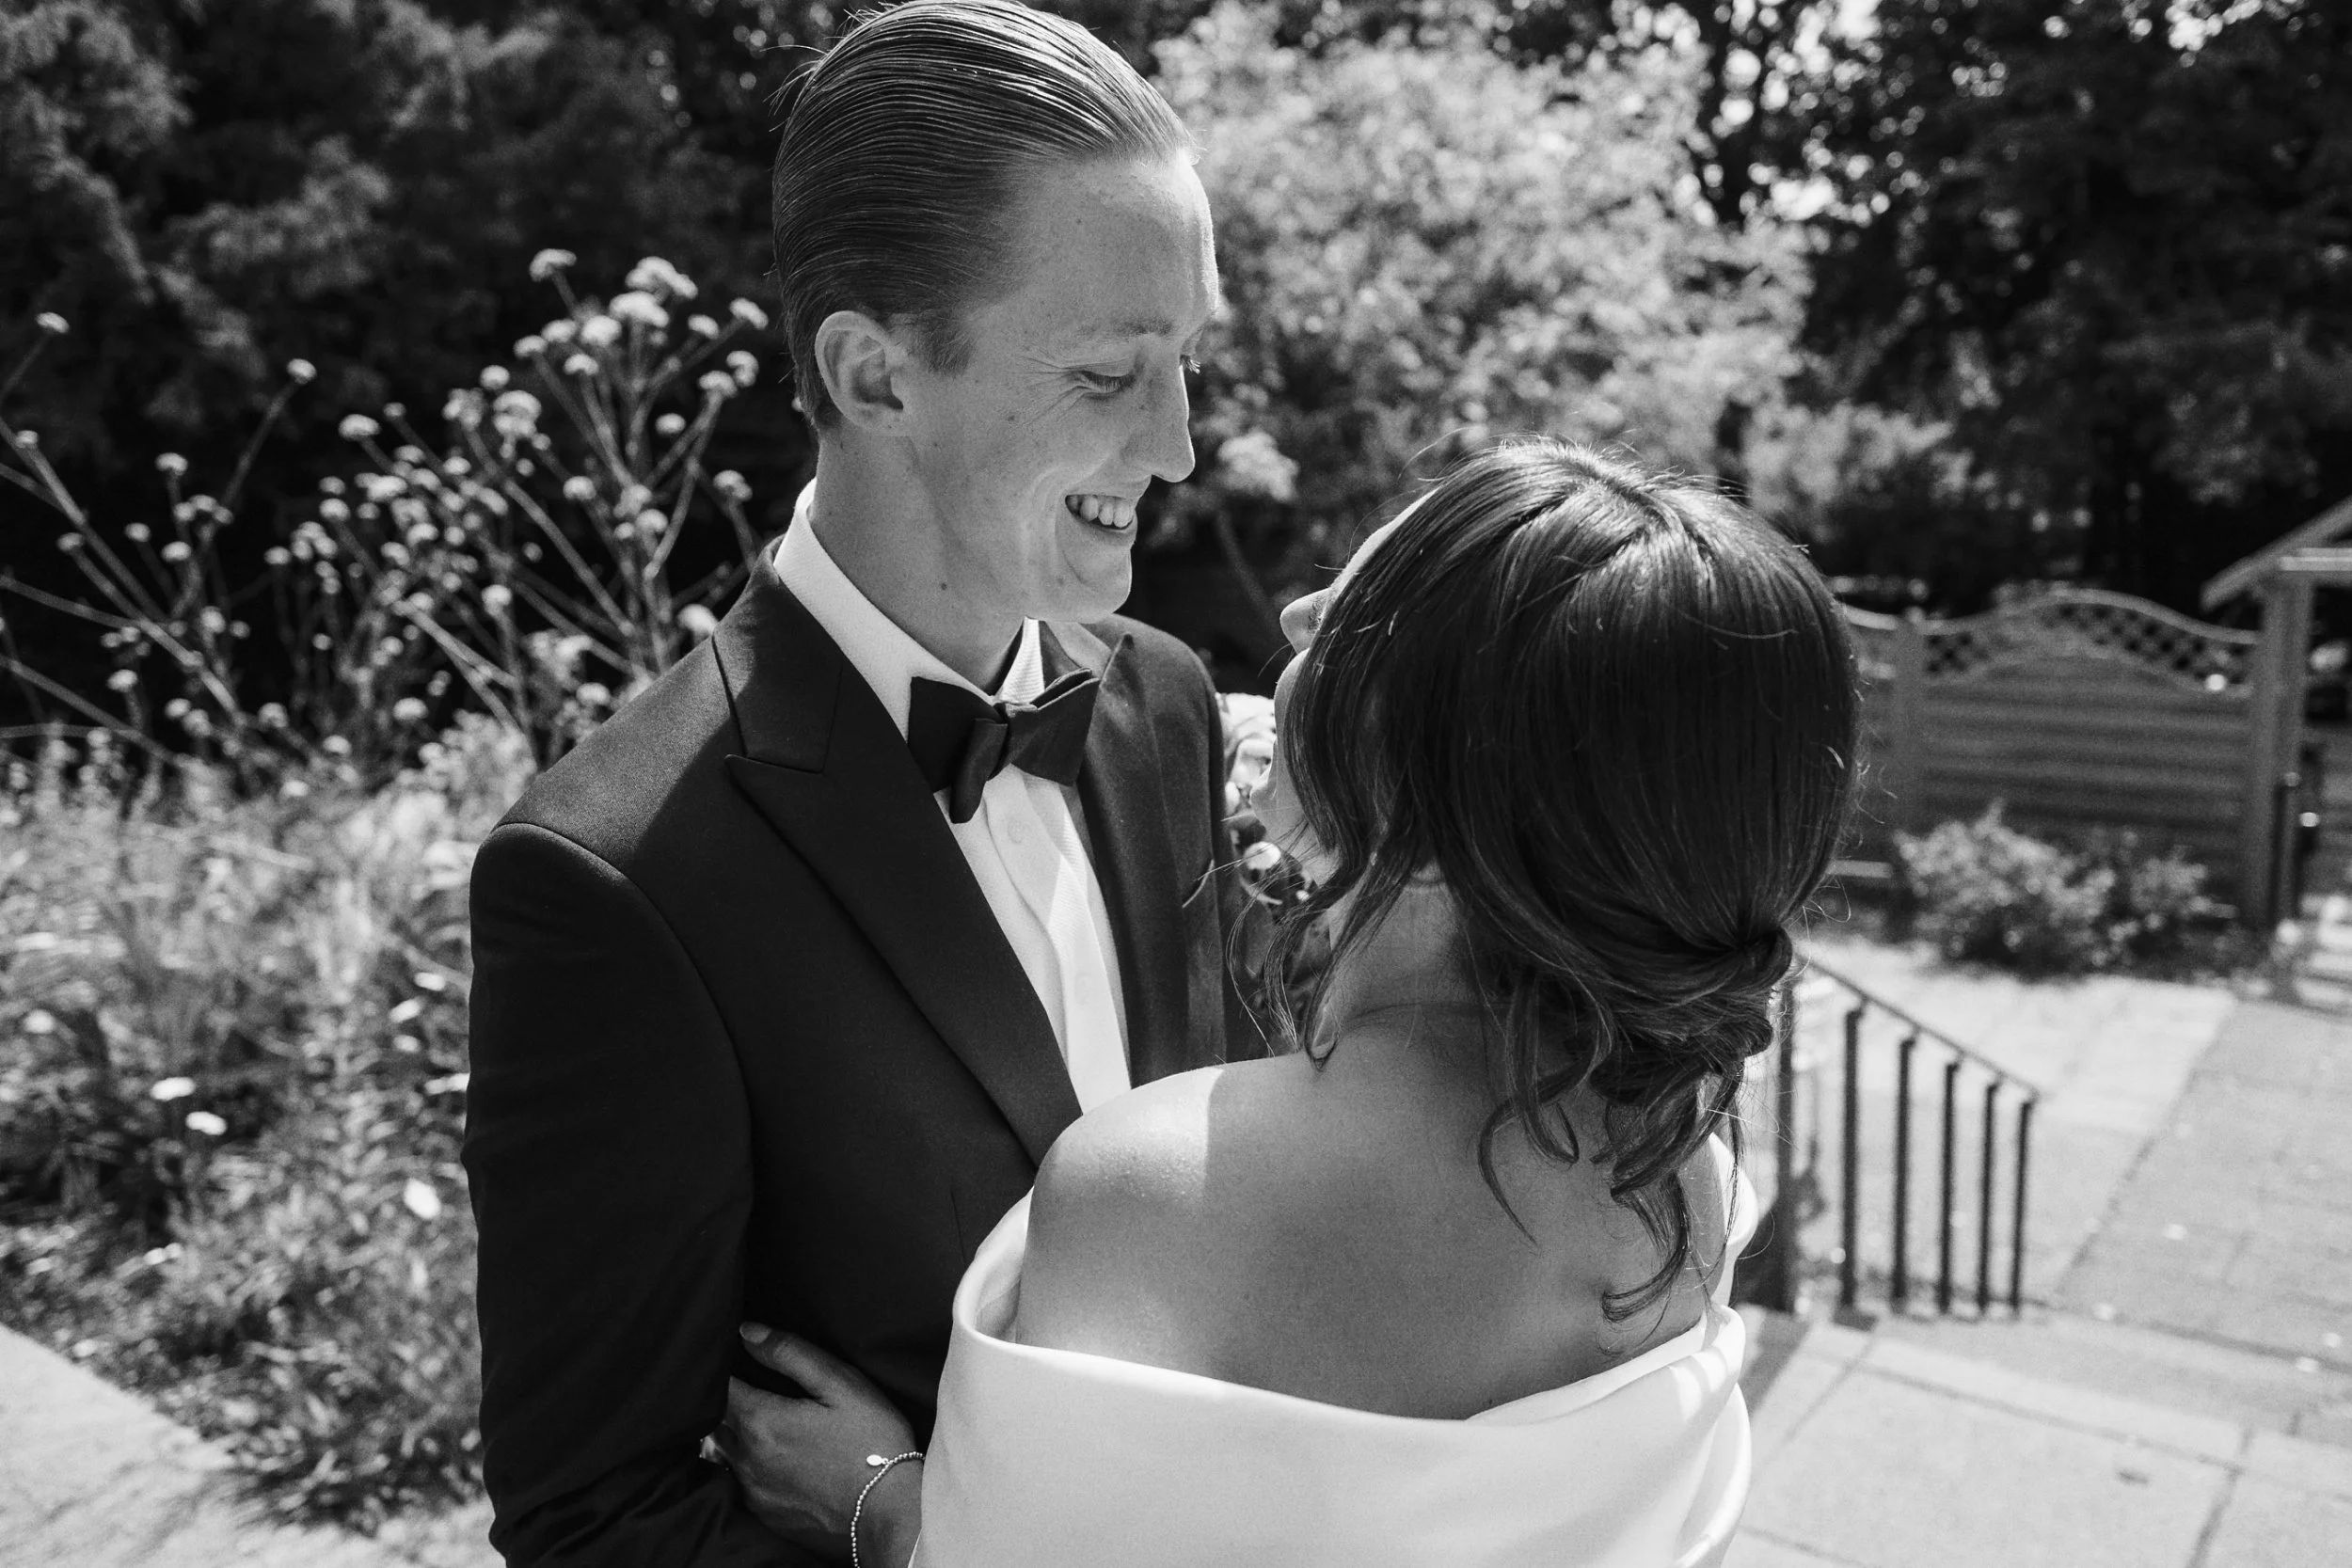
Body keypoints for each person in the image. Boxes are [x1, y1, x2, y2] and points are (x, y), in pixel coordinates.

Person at [724, 438, 1864, 1566]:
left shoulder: (1157, 1196)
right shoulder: (1687, 1180)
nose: (1298, 613)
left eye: (1356, 614)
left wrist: (885, 1505)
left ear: (1414, 780)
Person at [460, 5, 1254, 1563]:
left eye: (1190, 362)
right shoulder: (614, 880)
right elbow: (599, 1520)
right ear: (875, 374)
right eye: (1110, 369)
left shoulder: (1166, 707)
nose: (1176, 444)